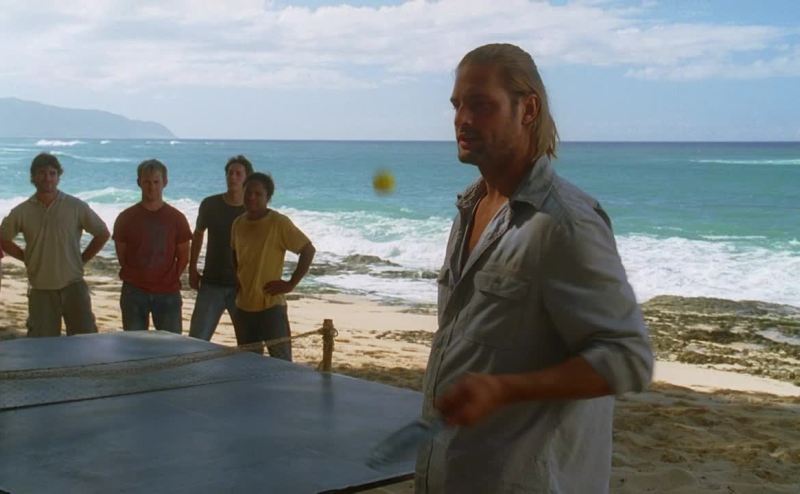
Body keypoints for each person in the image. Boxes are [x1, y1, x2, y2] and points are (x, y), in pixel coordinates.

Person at [415, 43, 653, 493]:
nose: (462, 119)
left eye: (480, 105)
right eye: (457, 104)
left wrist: (507, 389)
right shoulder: (471, 207)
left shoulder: (564, 222)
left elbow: (628, 359)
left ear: (528, 109)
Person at [0, 152, 109, 336]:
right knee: (43, 345)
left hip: (74, 285)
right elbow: (3, 238)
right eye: (42, 173)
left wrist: (81, 259)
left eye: (52, 173)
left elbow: (102, 233)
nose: (47, 178)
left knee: (84, 340)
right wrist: (26, 258)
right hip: (41, 288)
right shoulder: (22, 211)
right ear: (33, 177)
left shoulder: (75, 206)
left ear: (59, 176)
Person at [231, 172, 315, 361]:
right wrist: (237, 279)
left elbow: (308, 250)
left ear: (267, 197)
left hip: (271, 307)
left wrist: (290, 284)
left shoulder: (278, 222)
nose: (252, 197)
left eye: (258, 194)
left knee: (281, 363)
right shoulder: (238, 223)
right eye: (248, 192)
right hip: (243, 307)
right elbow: (234, 253)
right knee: (247, 363)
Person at [113, 159, 192, 333]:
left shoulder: (177, 218)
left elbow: (184, 256)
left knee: (170, 344)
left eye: (156, 182)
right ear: (139, 183)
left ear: (165, 182)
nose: (151, 187)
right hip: (134, 291)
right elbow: (122, 256)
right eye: (147, 182)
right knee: (134, 343)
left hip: (167, 292)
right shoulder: (125, 218)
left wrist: (169, 278)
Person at [188, 155, 253, 341]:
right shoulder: (210, 204)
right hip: (211, 283)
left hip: (242, 287)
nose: (233, 177)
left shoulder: (253, 210)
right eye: (230, 173)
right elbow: (198, 234)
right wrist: (192, 268)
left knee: (250, 342)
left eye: (238, 174)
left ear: (247, 178)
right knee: (197, 340)